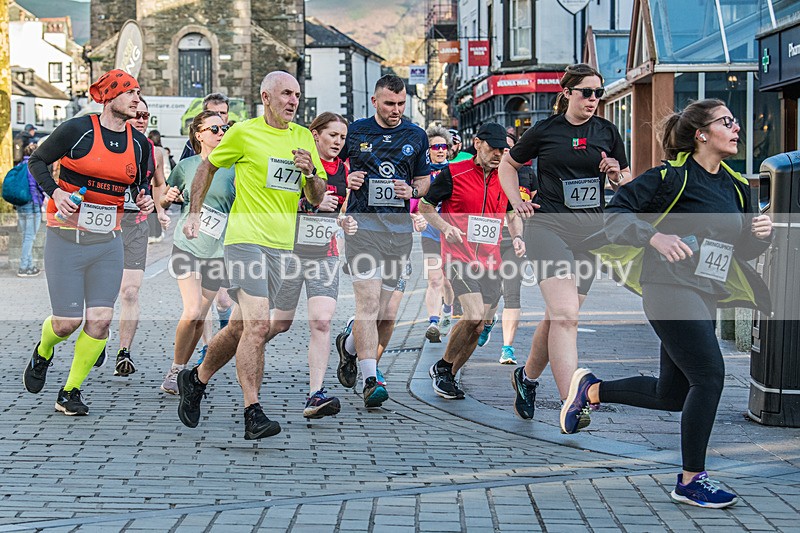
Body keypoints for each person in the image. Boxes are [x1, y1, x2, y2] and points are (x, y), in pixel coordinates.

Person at [561, 99, 773, 508]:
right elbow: (616, 215)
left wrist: (760, 233)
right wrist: (654, 236)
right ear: (701, 134)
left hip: (707, 290)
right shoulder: (668, 177)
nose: (736, 128)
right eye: (726, 122)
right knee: (709, 376)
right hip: (668, 286)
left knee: (672, 394)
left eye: (735, 122)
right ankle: (692, 479)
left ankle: (590, 391)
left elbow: (741, 248)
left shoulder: (736, 185)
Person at [176, 71, 327, 440]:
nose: (293, 101)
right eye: (286, 94)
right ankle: (252, 411)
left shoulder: (304, 137)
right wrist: (194, 212)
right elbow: (208, 167)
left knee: (242, 326)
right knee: (260, 325)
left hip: (280, 245)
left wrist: (310, 173)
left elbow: (316, 197)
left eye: (297, 94)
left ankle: (195, 379)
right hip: (244, 240)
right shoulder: (243, 131)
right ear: (266, 97)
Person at [498, 64, 631, 423]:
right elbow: (507, 166)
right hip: (547, 229)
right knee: (566, 316)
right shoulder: (546, 130)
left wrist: (615, 174)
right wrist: (516, 201)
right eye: (586, 92)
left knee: (559, 317)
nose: (593, 100)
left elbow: (625, 182)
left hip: (590, 235)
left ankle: (525, 378)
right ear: (567, 92)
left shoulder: (607, 131)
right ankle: (570, 402)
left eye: (598, 93)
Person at [23, 69, 153, 415]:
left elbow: (138, 186)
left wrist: (143, 199)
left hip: (108, 242)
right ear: (110, 97)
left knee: (99, 319)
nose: (136, 99)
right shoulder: (78, 130)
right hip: (65, 238)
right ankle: (44, 350)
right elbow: (36, 161)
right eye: (130, 93)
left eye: (138, 93)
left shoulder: (139, 143)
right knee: (67, 322)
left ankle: (70, 391)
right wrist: (56, 193)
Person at [334, 74, 430, 408]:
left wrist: (412, 191)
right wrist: (347, 177)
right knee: (369, 304)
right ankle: (371, 378)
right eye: (390, 103)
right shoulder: (357, 130)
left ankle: (348, 347)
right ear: (374, 101)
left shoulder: (415, 135)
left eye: (401, 104)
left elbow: (423, 181)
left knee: (387, 314)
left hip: (399, 234)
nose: (396, 109)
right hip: (363, 230)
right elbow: (331, 165)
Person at [264, 112, 359, 419]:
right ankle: (241, 348)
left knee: (322, 321)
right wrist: (313, 203)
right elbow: (276, 204)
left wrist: (345, 221)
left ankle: (314, 395)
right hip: (289, 252)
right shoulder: (295, 160)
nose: (338, 142)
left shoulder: (344, 168)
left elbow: (342, 209)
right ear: (315, 134)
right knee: (280, 323)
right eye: (332, 135)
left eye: (342, 137)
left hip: (325, 253)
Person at [420, 123, 525, 399]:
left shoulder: (505, 177)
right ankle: (443, 367)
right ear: (477, 143)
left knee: (479, 326)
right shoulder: (453, 172)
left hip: (492, 261)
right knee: (474, 314)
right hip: (458, 256)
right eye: (493, 148)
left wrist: (517, 237)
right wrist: (445, 228)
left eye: (503, 150)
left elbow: (512, 214)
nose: (498, 154)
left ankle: (449, 375)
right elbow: (425, 206)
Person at [158, 110, 236, 394]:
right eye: (213, 129)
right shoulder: (187, 166)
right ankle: (176, 370)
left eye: (224, 128)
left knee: (201, 318)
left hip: (217, 252)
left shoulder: (236, 166)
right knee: (191, 312)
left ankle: (183, 367)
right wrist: (167, 198)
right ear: (199, 134)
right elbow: (165, 200)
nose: (220, 132)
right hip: (187, 246)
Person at [106, 97, 170, 376]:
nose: (142, 119)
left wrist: (161, 209)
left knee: (130, 291)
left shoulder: (154, 152)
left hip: (137, 226)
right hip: (107, 225)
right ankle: (97, 337)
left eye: (146, 115)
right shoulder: (109, 146)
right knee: (103, 293)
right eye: (137, 114)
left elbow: (159, 184)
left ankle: (124, 351)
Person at [498, 131, 538, 364]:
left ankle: (507, 348)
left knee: (512, 293)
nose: (503, 153)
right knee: (491, 294)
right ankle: (486, 321)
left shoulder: (527, 174)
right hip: (488, 240)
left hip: (516, 239)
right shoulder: (487, 177)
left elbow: (536, 204)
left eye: (508, 149)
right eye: (499, 149)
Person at [419, 125, 455, 343]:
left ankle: (448, 311)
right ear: (428, 150)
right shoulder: (422, 173)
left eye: (443, 146)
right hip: (431, 234)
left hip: (451, 235)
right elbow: (415, 200)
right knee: (434, 279)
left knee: (449, 282)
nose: (440, 150)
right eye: (435, 147)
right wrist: (416, 215)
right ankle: (433, 322)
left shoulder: (456, 171)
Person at [15, 143, 45, 277]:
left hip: (20, 205)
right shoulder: (33, 166)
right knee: (30, 237)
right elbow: (38, 185)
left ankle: (29, 265)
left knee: (26, 237)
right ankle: (23, 267)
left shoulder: (19, 166)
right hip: (32, 205)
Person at [180, 93, 230, 160]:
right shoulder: (192, 144)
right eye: (213, 113)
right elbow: (185, 167)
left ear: (227, 115)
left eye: (223, 113)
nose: (219, 116)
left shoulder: (238, 140)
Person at [147, 129, 166, 243]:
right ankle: (157, 233)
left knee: (152, 209)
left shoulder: (155, 151)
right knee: (157, 208)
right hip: (162, 180)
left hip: (153, 181)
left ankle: (153, 233)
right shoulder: (162, 150)